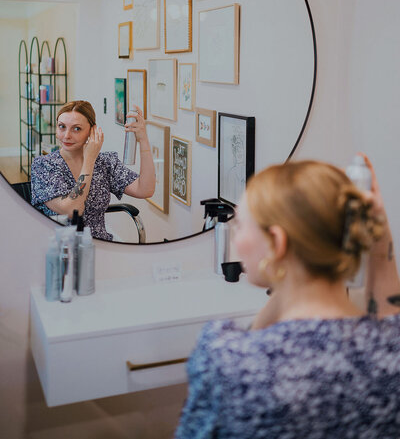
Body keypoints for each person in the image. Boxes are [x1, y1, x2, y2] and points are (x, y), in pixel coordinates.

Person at [175, 155, 400, 438]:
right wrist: (376, 228)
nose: (236, 236)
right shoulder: (389, 350)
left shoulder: (230, 359)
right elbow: (392, 313)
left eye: (241, 225)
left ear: (278, 242)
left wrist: (285, 271)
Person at [31, 100, 155, 240]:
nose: (66, 135)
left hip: (101, 246)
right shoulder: (44, 166)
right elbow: (73, 210)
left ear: (92, 131)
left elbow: (145, 189)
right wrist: (89, 159)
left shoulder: (105, 162)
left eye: (76, 128)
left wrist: (143, 139)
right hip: (61, 248)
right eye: (62, 127)